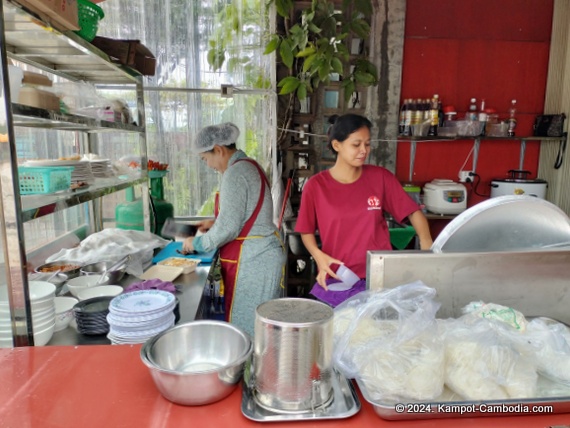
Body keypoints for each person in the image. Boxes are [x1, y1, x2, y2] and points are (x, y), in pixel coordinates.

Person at [295, 114, 433, 306]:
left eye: (367, 144)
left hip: (380, 279)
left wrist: (428, 249)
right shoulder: (316, 186)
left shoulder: (380, 178)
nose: (363, 150)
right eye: (356, 144)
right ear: (337, 145)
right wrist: (319, 257)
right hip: (338, 277)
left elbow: (413, 213)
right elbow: (306, 231)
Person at [182, 122, 286, 337]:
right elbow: (244, 214)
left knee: (248, 329)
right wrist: (214, 223)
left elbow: (229, 228)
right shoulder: (249, 165)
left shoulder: (235, 173)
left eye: (205, 159)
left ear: (218, 149)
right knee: (260, 326)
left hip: (254, 261)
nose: (208, 165)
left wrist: (197, 243)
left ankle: (248, 370)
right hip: (261, 256)